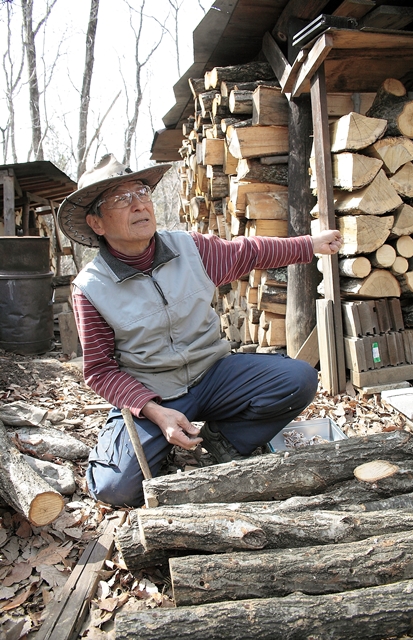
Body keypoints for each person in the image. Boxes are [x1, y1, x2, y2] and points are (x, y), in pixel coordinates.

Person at [58, 153, 342, 508]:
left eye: (142, 192)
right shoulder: (91, 288)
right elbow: (99, 371)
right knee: (114, 489)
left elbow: (249, 252)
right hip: (153, 392)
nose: (139, 205)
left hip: (213, 374)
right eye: (121, 199)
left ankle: (222, 442)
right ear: (96, 223)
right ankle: (140, 446)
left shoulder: (190, 249)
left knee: (298, 378)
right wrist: (154, 413)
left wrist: (310, 245)